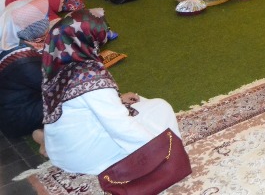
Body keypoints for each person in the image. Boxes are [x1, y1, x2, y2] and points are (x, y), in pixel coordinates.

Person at [41, 10, 181, 174]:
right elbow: (120, 126)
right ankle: (164, 154)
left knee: (142, 103)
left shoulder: (57, 63)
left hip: (60, 151)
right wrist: (161, 151)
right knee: (160, 108)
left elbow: (80, 103)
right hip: (83, 157)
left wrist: (117, 99)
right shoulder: (89, 75)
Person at [0, 0, 51, 138]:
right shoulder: (24, 62)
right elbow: (55, 84)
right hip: (17, 119)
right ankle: (44, 136)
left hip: (15, 107)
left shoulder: (11, 43)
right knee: (72, 97)